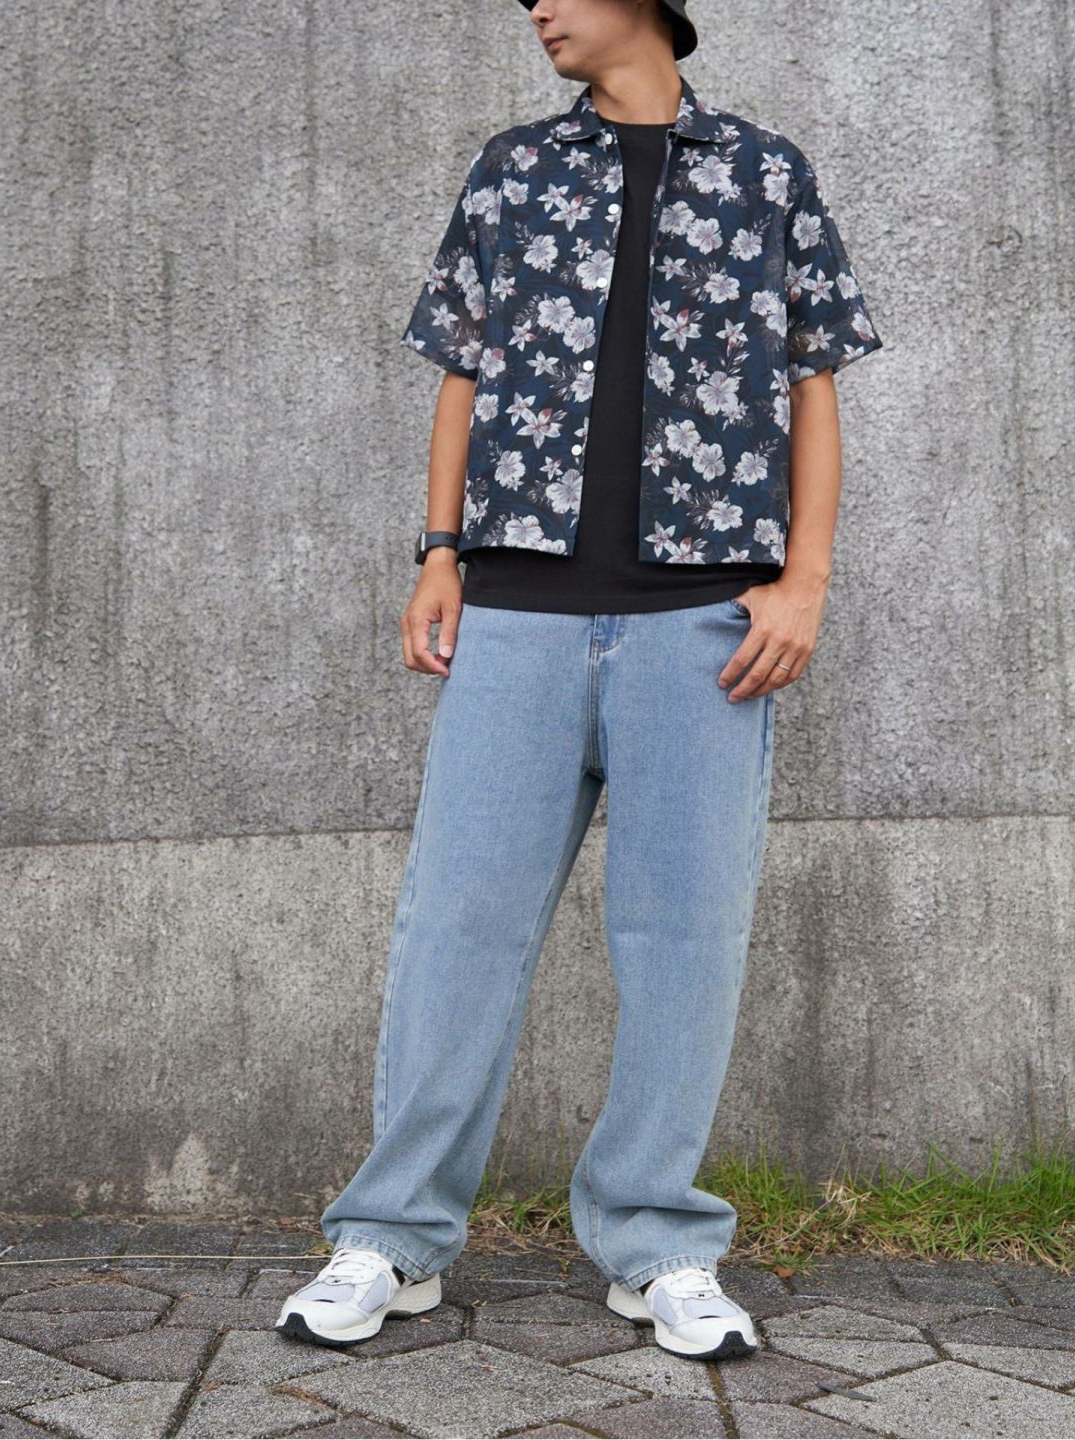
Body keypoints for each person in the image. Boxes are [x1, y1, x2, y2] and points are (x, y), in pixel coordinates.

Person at [275, 0, 882, 1362]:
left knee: (683, 941)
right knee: (457, 928)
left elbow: (813, 383)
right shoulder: (513, 168)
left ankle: (659, 1243)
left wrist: (805, 581)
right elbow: (463, 371)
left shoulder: (765, 172)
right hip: (519, 611)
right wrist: (439, 555)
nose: (539, 6)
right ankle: (392, 1237)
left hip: (702, 624)